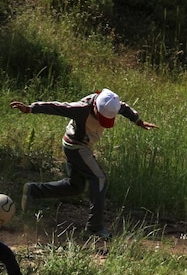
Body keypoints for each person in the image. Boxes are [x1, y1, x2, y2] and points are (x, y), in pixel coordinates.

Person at [11, 88, 158, 239]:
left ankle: (33, 190)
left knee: (75, 186)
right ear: (96, 107)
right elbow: (57, 107)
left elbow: (124, 107)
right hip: (76, 146)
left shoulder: (110, 102)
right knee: (99, 179)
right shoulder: (81, 109)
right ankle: (94, 227)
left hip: (81, 146)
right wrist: (30, 108)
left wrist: (138, 121)